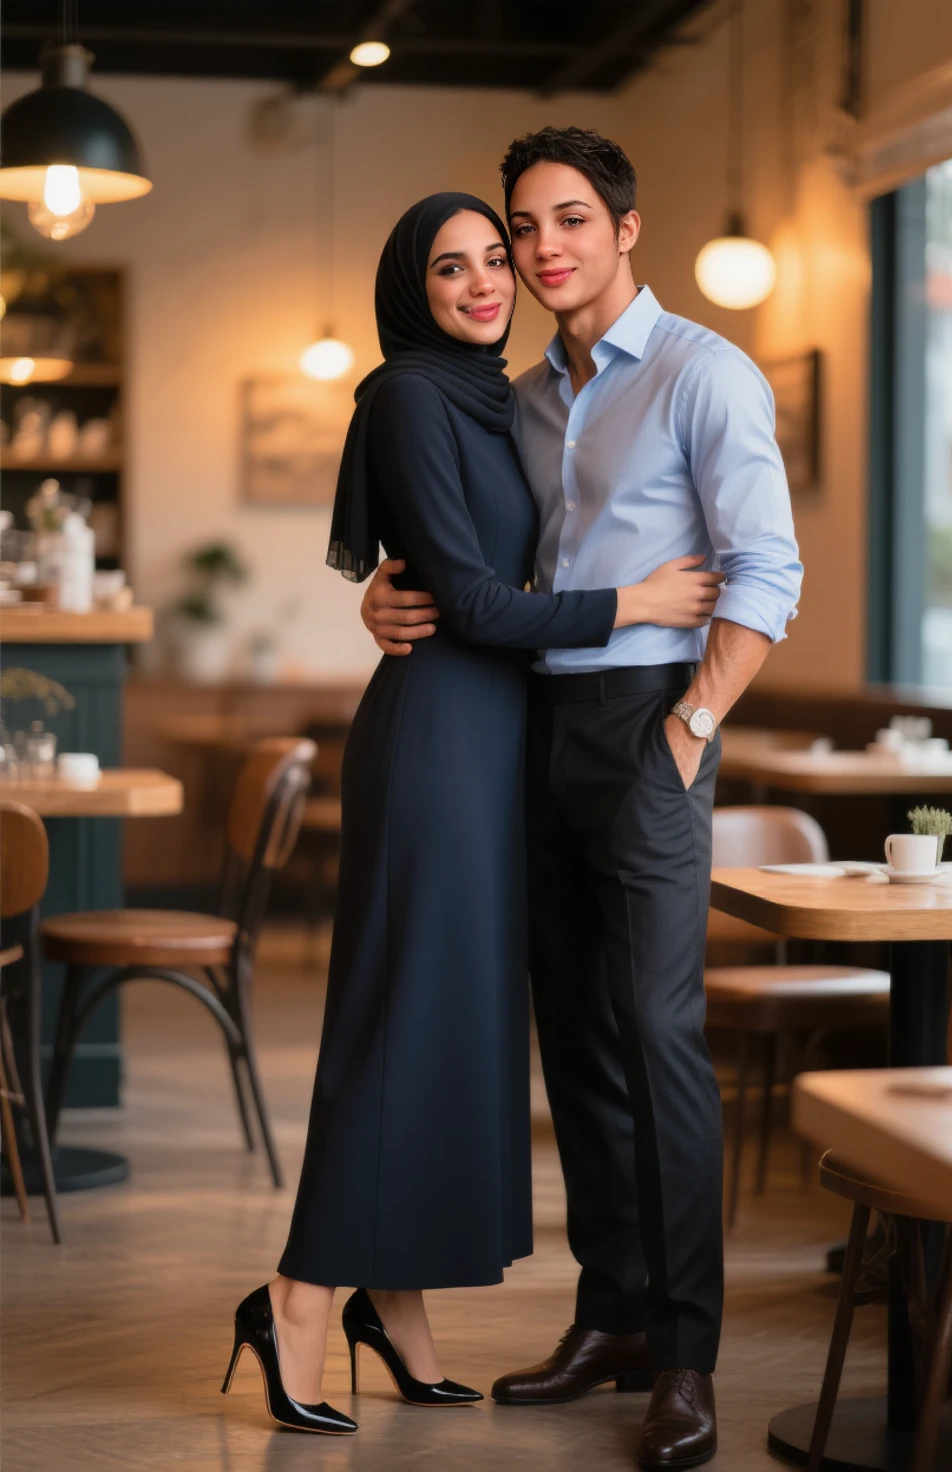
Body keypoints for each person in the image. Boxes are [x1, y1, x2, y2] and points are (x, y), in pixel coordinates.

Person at [221, 190, 724, 1438]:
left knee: (458, 1031)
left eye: (495, 259)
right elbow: (485, 604)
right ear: (412, 285)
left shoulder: (510, 396)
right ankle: (295, 1294)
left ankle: (397, 1302)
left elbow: (493, 567)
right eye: (452, 267)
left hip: (505, 745)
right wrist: (638, 601)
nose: (485, 281)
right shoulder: (402, 392)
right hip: (439, 743)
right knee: (397, 1022)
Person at [360, 129, 804, 1469]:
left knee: (656, 1042)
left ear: (624, 230)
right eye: (520, 229)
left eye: (565, 222)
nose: (541, 249)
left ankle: (683, 1357)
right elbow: (477, 562)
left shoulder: (701, 373)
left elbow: (764, 575)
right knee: (577, 1044)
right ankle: (607, 1315)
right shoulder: (522, 394)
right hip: (523, 725)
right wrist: (381, 595)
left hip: (647, 722)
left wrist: (691, 725)